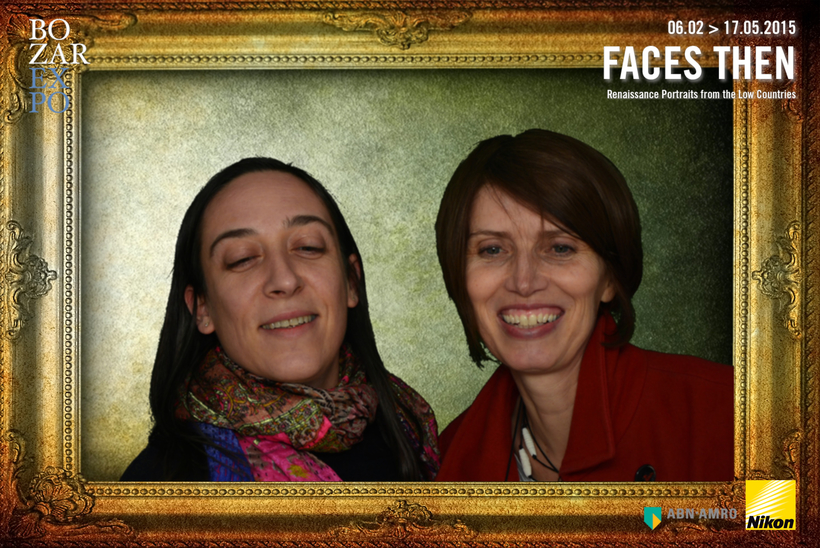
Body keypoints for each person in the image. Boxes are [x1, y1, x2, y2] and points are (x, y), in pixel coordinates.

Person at [434, 129, 733, 482]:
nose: (524, 282)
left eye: (560, 248)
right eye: (492, 249)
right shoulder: (448, 461)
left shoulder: (735, 418)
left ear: (609, 278)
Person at [122, 158, 439, 482]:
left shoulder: (415, 432)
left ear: (350, 282)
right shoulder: (156, 488)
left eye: (308, 247)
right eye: (243, 259)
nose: (285, 280)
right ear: (202, 308)